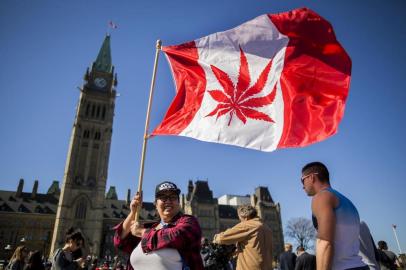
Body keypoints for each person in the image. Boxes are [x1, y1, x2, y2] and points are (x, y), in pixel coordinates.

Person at [113, 181, 204, 270]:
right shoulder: (150, 228)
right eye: (163, 197)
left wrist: (141, 232)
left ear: (178, 203)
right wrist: (133, 212)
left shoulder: (189, 222)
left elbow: (176, 236)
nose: (168, 201)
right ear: (156, 204)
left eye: (173, 197)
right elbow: (120, 241)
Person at [300, 162, 367, 270]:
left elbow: (324, 241)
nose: (302, 186)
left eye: (302, 180)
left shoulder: (321, 197)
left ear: (311, 177)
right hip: (359, 265)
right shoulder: (347, 201)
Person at [213, 204, 273, 270]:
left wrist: (216, 237)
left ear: (245, 217)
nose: (240, 222)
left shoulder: (247, 225)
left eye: (240, 219)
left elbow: (222, 238)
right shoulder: (267, 228)